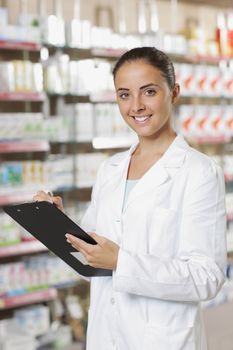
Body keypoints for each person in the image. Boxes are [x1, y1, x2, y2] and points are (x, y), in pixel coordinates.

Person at [34, 47, 227, 350]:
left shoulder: (199, 172)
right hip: (105, 337)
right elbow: (92, 263)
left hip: (165, 340)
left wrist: (122, 262)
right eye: (124, 95)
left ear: (173, 92)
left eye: (148, 91)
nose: (136, 106)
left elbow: (207, 277)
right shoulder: (110, 170)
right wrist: (58, 224)